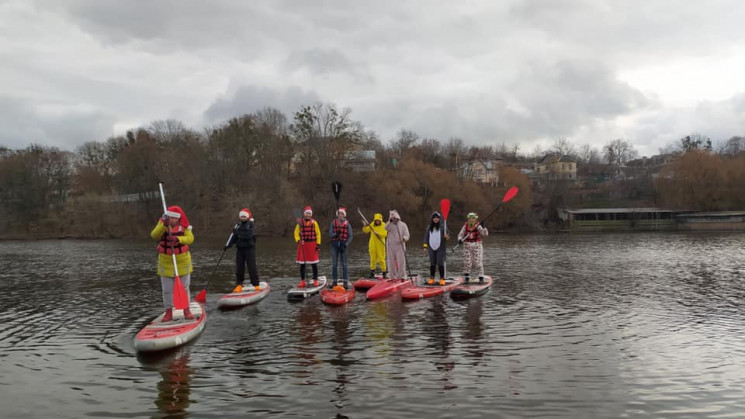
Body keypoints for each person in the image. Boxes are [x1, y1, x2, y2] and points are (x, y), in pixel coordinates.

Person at [150, 206, 194, 322]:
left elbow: (190, 239)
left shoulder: (185, 226)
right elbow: (154, 235)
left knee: (184, 288)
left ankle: (186, 310)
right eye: (170, 217)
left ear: (178, 219)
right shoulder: (163, 225)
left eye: (174, 218)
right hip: (165, 262)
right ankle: (168, 312)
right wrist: (163, 225)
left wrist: (179, 239)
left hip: (182, 261)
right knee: (167, 290)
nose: (172, 220)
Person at [225, 208, 260, 293]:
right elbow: (233, 236)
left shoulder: (251, 224)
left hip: (249, 248)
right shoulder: (237, 225)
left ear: (247, 217)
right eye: (242, 217)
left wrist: (239, 234)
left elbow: (248, 235)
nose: (243, 218)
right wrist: (227, 245)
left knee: (251, 267)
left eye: (244, 217)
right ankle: (239, 284)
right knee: (239, 267)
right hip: (240, 249)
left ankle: (255, 284)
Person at [457, 212, 489, 283]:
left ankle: (481, 277)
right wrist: (459, 239)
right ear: (468, 219)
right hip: (467, 245)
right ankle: (467, 278)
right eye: (470, 219)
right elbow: (460, 234)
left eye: (473, 219)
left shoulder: (478, 226)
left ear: (475, 219)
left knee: (478, 262)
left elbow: (485, 234)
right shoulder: (465, 226)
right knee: (467, 262)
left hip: (477, 245)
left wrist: (484, 227)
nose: (471, 220)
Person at [294, 206, 321, 287]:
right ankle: (302, 280)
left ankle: (315, 279)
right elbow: (296, 233)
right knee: (302, 264)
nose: (308, 215)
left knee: (314, 263)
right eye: (307, 213)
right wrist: (298, 240)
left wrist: (318, 244)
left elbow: (318, 234)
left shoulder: (314, 223)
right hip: (303, 244)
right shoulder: (300, 223)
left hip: (312, 244)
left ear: (311, 214)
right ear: (304, 214)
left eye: (309, 213)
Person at [329, 207, 353, 290]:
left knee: (344, 264)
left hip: (343, 245)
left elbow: (350, 236)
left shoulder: (347, 224)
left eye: (342, 214)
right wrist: (336, 234)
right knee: (334, 264)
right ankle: (334, 281)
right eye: (339, 214)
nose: (340, 215)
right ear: (337, 215)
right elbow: (330, 234)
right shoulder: (333, 223)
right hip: (334, 245)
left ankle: (345, 282)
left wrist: (345, 244)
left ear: (344, 215)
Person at [422, 211, 449, 285]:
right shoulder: (429, 227)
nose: (436, 219)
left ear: (439, 219)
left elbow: (448, 236)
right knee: (432, 263)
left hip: (440, 247)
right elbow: (426, 237)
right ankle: (432, 278)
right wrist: (425, 247)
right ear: (432, 219)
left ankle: (442, 278)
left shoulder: (443, 227)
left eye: (437, 218)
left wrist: (447, 237)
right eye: (434, 218)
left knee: (440, 262)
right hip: (431, 247)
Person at [385, 210, 410, 279]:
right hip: (390, 246)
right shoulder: (389, 225)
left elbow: (407, 235)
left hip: (400, 246)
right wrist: (389, 220)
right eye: (392, 218)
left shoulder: (403, 225)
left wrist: (403, 239)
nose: (394, 220)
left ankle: (402, 276)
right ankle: (392, 276)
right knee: (390, 262)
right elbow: (385, 227)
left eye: (395, 218)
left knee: (401, 261)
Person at [362, 212, 387, 278]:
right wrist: (364, 226)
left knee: (381, 258)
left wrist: (378, 234)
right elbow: (366, 231)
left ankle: (384, 272)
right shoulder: (372, 224)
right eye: (376, 220)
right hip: (373, 244)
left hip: (380, 244)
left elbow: (385, 234)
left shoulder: (384, 225)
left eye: (379, 220)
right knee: (373, 259)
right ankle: (372, 272)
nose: (377, 221)